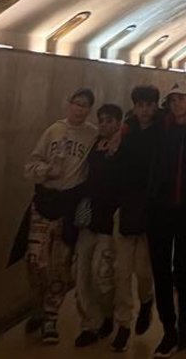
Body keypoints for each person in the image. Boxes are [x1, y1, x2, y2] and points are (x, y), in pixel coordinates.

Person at [25, 87, 97, 345]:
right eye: (76, 103)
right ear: (69, 104)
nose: (79, 108)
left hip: (68, 207)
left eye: (84, 105)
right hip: (44, 203)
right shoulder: (53, 131)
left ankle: (51, 317)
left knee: (60, 265)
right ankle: (38, 306)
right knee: (35, 262)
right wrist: (46, 170)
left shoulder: (91, 135)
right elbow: (31, 165)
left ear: (89, 109)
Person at [147, 87, 186, 356]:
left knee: (185, 268)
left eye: (181, 98)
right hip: (160, 208)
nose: (177, 103)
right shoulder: (160, 127)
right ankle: (168, 327)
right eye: (172, 100)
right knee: (160, 269)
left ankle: (184, 320)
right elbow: (135, 121)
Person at [111, 87, 159, 352]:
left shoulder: (161, 131)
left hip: (150, 209)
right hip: (128, 207)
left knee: (142, 270)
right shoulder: (127, 130)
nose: (145, 110)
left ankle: (147, 299)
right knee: (121, 271)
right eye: (141, 105)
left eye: (149, 105)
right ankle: (123, 324)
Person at [74, 104, 123, 347]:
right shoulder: (94, 144)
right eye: (102, 120)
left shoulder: (123, 147)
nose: (104, 125)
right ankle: (89, 324)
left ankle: (107, 313)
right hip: (89, 219)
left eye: (109, 121)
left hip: (108, 222)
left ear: (118, 123)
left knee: (100, 274)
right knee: (81, 274)